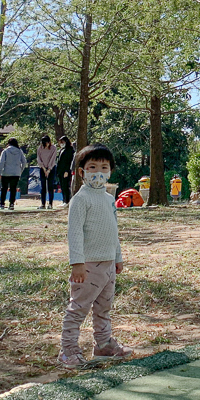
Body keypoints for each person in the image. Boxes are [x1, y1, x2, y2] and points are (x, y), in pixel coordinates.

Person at [59, 144, 132, 368]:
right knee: (78, 307)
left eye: (104, 167)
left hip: (109, 265)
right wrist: (77, 263)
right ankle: (68, 350)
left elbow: (113, 231)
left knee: (104, 307)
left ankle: (103, 344)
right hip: (88, 266)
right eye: (92, 167)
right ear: (81, 172)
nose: (98, 172)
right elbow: (75, 233)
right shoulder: (80, 200)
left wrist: (117, 257)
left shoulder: (110, 199)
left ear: (110, 171)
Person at [0, 138, 27, 209]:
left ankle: (2, 204)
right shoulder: (19, 151)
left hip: (6, 172)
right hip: (16, 173)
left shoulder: (5, 151)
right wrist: (20, 170)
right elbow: (24, 162)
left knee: (4, 188)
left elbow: (1, 162)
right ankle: (11, 204)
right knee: (13, 189)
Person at [37, 135, 59, 209]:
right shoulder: (40, 148)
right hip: (42, 168)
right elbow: (39, 159)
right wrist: (43, 168)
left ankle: (50, 204)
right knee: (43, 186)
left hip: (51, 168)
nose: (46, 144)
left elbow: (53, 159)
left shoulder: (53, 148)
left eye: (47, 142)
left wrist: (49, 169)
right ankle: (43, 204)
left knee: (50, 186)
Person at [57, 136, 76, 206]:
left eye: (62, 142)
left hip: (66, 171)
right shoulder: (62, 150)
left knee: (66, 186)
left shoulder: (70, 150)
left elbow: (69, 162)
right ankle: (64, 200)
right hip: (60, 171)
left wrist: (67, 171)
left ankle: (67, 201)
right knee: (62, 186)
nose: (61, 143)